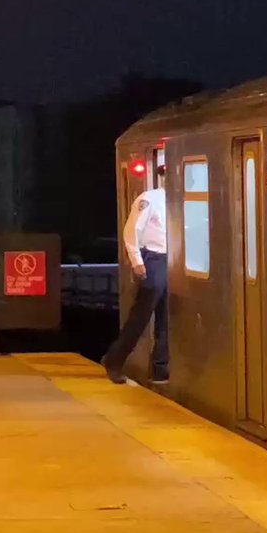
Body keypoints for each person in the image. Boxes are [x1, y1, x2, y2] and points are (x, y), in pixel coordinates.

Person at [102, 165, 170, 385]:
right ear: (163, 176)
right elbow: (131, 230)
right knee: (142, 314)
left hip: (174, 260)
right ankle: (115, 359)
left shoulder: (181, 199)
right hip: (154, 259)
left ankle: (161, 366)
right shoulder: (150, 199)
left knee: (166, 316)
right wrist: (137, 261)